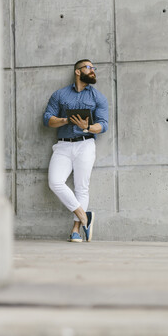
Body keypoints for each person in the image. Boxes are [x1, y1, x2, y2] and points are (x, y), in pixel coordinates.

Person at [43, 59, 108, 242]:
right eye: (89, 67)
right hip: (63, 145)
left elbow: (103, 125)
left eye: (94, 68)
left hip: (85, 144)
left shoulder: (98, 97)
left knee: (81, 187)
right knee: (55, 182)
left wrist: (87, 127)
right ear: (78, 71)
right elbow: (47, 119)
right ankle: (85, 216)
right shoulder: (60, 95)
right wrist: (66, 120)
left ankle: (76, 230)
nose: (93, 70)